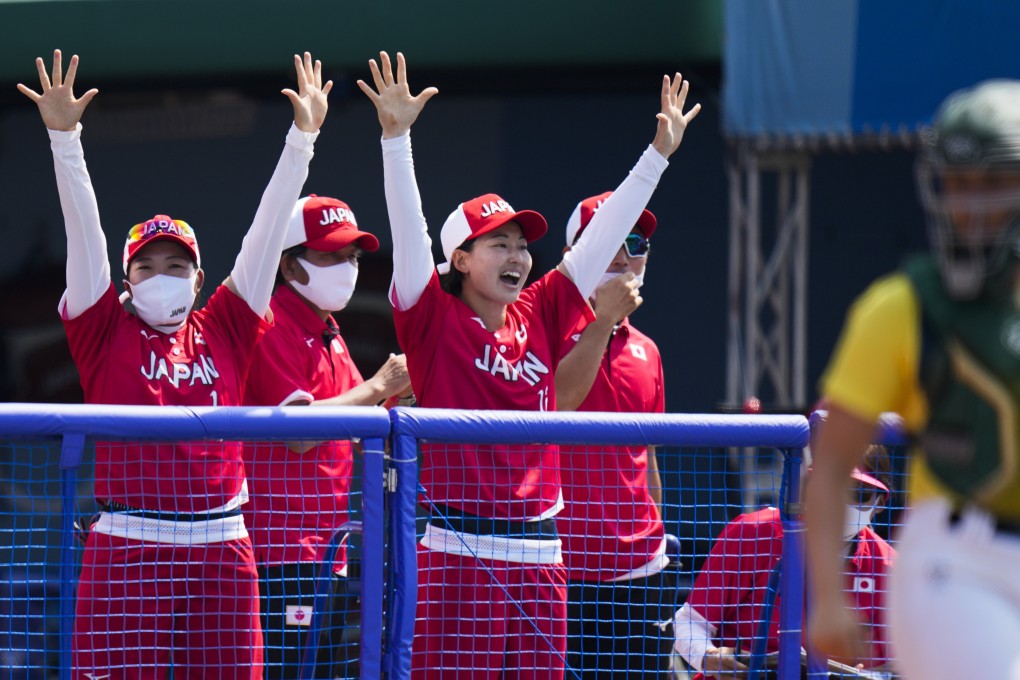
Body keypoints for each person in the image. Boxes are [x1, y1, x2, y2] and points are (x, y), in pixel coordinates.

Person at [356, 51, 700, 679]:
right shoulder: (431, 319)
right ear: (460, 259)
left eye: (521, 244)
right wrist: (396, 141)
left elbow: (602, 240)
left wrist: (658, 154)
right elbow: (409, 237)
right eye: (498, 244)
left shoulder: (540, 310)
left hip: (542, 550)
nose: (517, 254)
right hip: (459, 549)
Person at [18, 49, 331, 678]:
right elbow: (84, 232)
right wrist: (65, 139)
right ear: (126, 280)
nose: (162, 278)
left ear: (200, 277)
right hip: (128, 544)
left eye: (177, 266)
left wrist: (303, 140)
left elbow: (267, 233)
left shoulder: (227, 324)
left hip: (222, 544)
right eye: (146, 267)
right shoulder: (101, 328)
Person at [804, 79, 1020, 680]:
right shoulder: (902, 307)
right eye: (957, 185)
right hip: (955, 563)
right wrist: (827, 594)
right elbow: (830, 468)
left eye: (993, 183)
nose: (970, 205)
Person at [242, 194, 411, 679]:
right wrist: (380, 385)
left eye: (351, 256)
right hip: (279, 553)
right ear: (289, 267)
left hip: (325, 548)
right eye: (329, 255)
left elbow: (362, 417)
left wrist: (401, 392)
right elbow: (298, 434)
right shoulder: (270, 323)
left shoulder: (327, 330)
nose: (346, 267)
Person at [553, 193, 676, 678]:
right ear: (574, 255)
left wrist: (660, 538)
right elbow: (558, 402)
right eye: (609, 239)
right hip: (561, 568)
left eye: (636, 240)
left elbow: (646, 458)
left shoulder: (648, 350)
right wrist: (601, 320)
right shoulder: (537, 328)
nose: (625, 254)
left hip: (643, 569)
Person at [675, 447, 897, 679]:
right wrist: (710, 656)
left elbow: (895, 665)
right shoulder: (752, 533)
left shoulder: (890, 569)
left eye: (858, 492)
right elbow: (688, 623)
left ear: (880, 502)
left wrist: (870, 676)